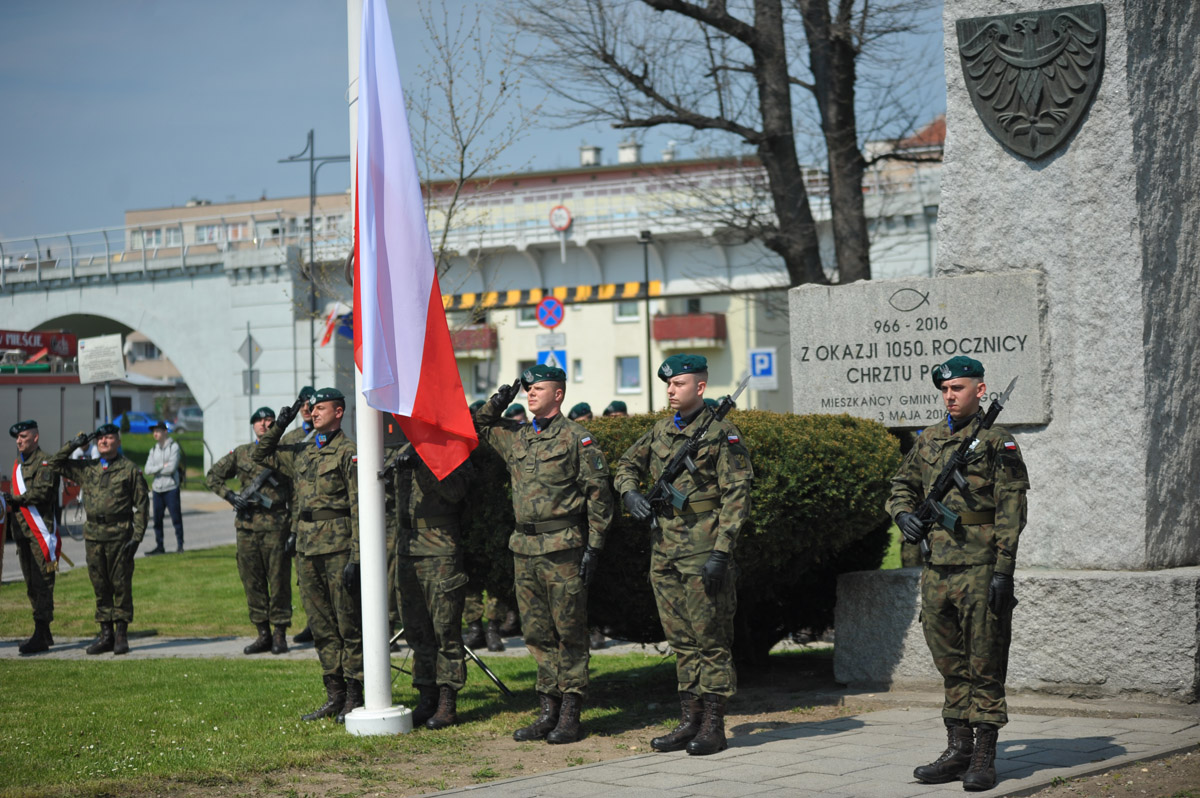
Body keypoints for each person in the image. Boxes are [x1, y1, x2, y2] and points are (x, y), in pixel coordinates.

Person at [887, 356, 1028, 791]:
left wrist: (1003, 571)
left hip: (980, 566)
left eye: (958, 388)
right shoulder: (929, 439)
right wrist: (903, 515)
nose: (950, 396)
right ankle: (958, 748)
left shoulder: (998, 441)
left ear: (980, 391)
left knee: (985, 662)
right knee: (949, 662)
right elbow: (901, 485)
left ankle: (984, 755)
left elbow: (1011, 510)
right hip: (938, 570)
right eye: (945, 390)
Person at [614, 354, 753, 756]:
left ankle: (713, 725)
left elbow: (737, 496)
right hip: (665, 549)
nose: (671, 391)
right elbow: (626, 464)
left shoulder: (722, 433)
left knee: (710, 638)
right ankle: (690, 719)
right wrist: (630, 493)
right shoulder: (660, 430)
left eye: (679, 384)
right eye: (669, 385)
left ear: (701, 387)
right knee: (681, 640)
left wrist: (722, 552)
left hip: (703, 547)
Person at [474, 364, 614, 744]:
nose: (530, 393)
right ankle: (548, 709)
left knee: (569, 631)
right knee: (536, 633)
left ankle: (570, 712)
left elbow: (599, 497)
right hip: (524, 548)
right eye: (528, 388)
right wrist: (497, 402)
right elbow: (479, 426)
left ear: (559, 394)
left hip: (563, 548)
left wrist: (594, 547)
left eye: (538, 388)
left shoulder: (577, 439)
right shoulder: (518, 437)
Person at [254, 388, 361, 723]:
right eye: (312, 409)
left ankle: (356, 694)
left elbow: (358, 505)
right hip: (307, 547)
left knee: (347, 623)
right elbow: (261, 453)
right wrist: (281, 423)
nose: (313, 413)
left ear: (339, 412)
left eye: (321, 408)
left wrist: (357, 556)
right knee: (320, 624)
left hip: (338, 547)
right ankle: (335, 694)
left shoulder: (348, 451)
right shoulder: (303, 450)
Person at [388, 440, 474, 729]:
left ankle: (447, 701)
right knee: (416, 630)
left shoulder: (450, 449)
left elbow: (457, 492)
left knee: (445, 629)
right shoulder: (402, 450)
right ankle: (427, 697)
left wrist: (425, 465)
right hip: (406, 548)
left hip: (439, 548)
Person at [47, 423, 149, 656]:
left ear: (118, 442)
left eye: (109, 437)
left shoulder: (130, 470)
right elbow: (54, 464)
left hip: (120, 534)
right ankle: (106, 635)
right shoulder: (88, 468)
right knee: (99, 584)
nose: (103, 441)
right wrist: (75, 444)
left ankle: (121, 634)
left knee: (121, 584)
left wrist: (137, 537)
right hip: (93, 535)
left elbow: (142, 506)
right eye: (100, 438)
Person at [206, 407, 293, 655]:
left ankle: (280, 633)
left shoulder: (284, 453)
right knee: (252, 580)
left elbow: (296, 492)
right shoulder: (242, 453)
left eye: (269, 421)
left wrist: (294, 527)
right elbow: (213, 476)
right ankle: (262, 633)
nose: (264, 425)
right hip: (246, 526)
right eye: (259, 421)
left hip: (276, 524)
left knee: (278, 580)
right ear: (253, 425)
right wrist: (231, 496)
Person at [5, 420, 61, 654]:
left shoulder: (45, 462)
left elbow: (43, 493)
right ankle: (44, 632)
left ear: (35, 438)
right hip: (22, 534)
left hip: (40, 535)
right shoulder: (19, 463)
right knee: (30, 584)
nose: (19, 441)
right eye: (17, 438)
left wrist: (15, 500)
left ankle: (41, 632)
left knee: (42, 583)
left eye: (24, 437)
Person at [280, 386, 317, 645]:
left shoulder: (325, 435)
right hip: (295, 512)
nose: (305, 408)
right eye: (302, 404)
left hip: (318, 509)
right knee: (302, 577)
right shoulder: (291, 438)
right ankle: (312, 623)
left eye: (310, 404)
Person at [143, 420, 184, 554]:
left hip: (171, 488)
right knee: (157, 520)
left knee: (176, 518)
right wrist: (162, 466)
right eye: (154, 431)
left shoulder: (174, 447)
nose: (155, 434)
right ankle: (159, 546)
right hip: (157, 489)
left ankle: (180, 545)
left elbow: (172, 468)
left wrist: (157, 470)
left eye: (158, 431)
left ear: (165, 432)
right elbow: (147, 469)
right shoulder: (153, 450)